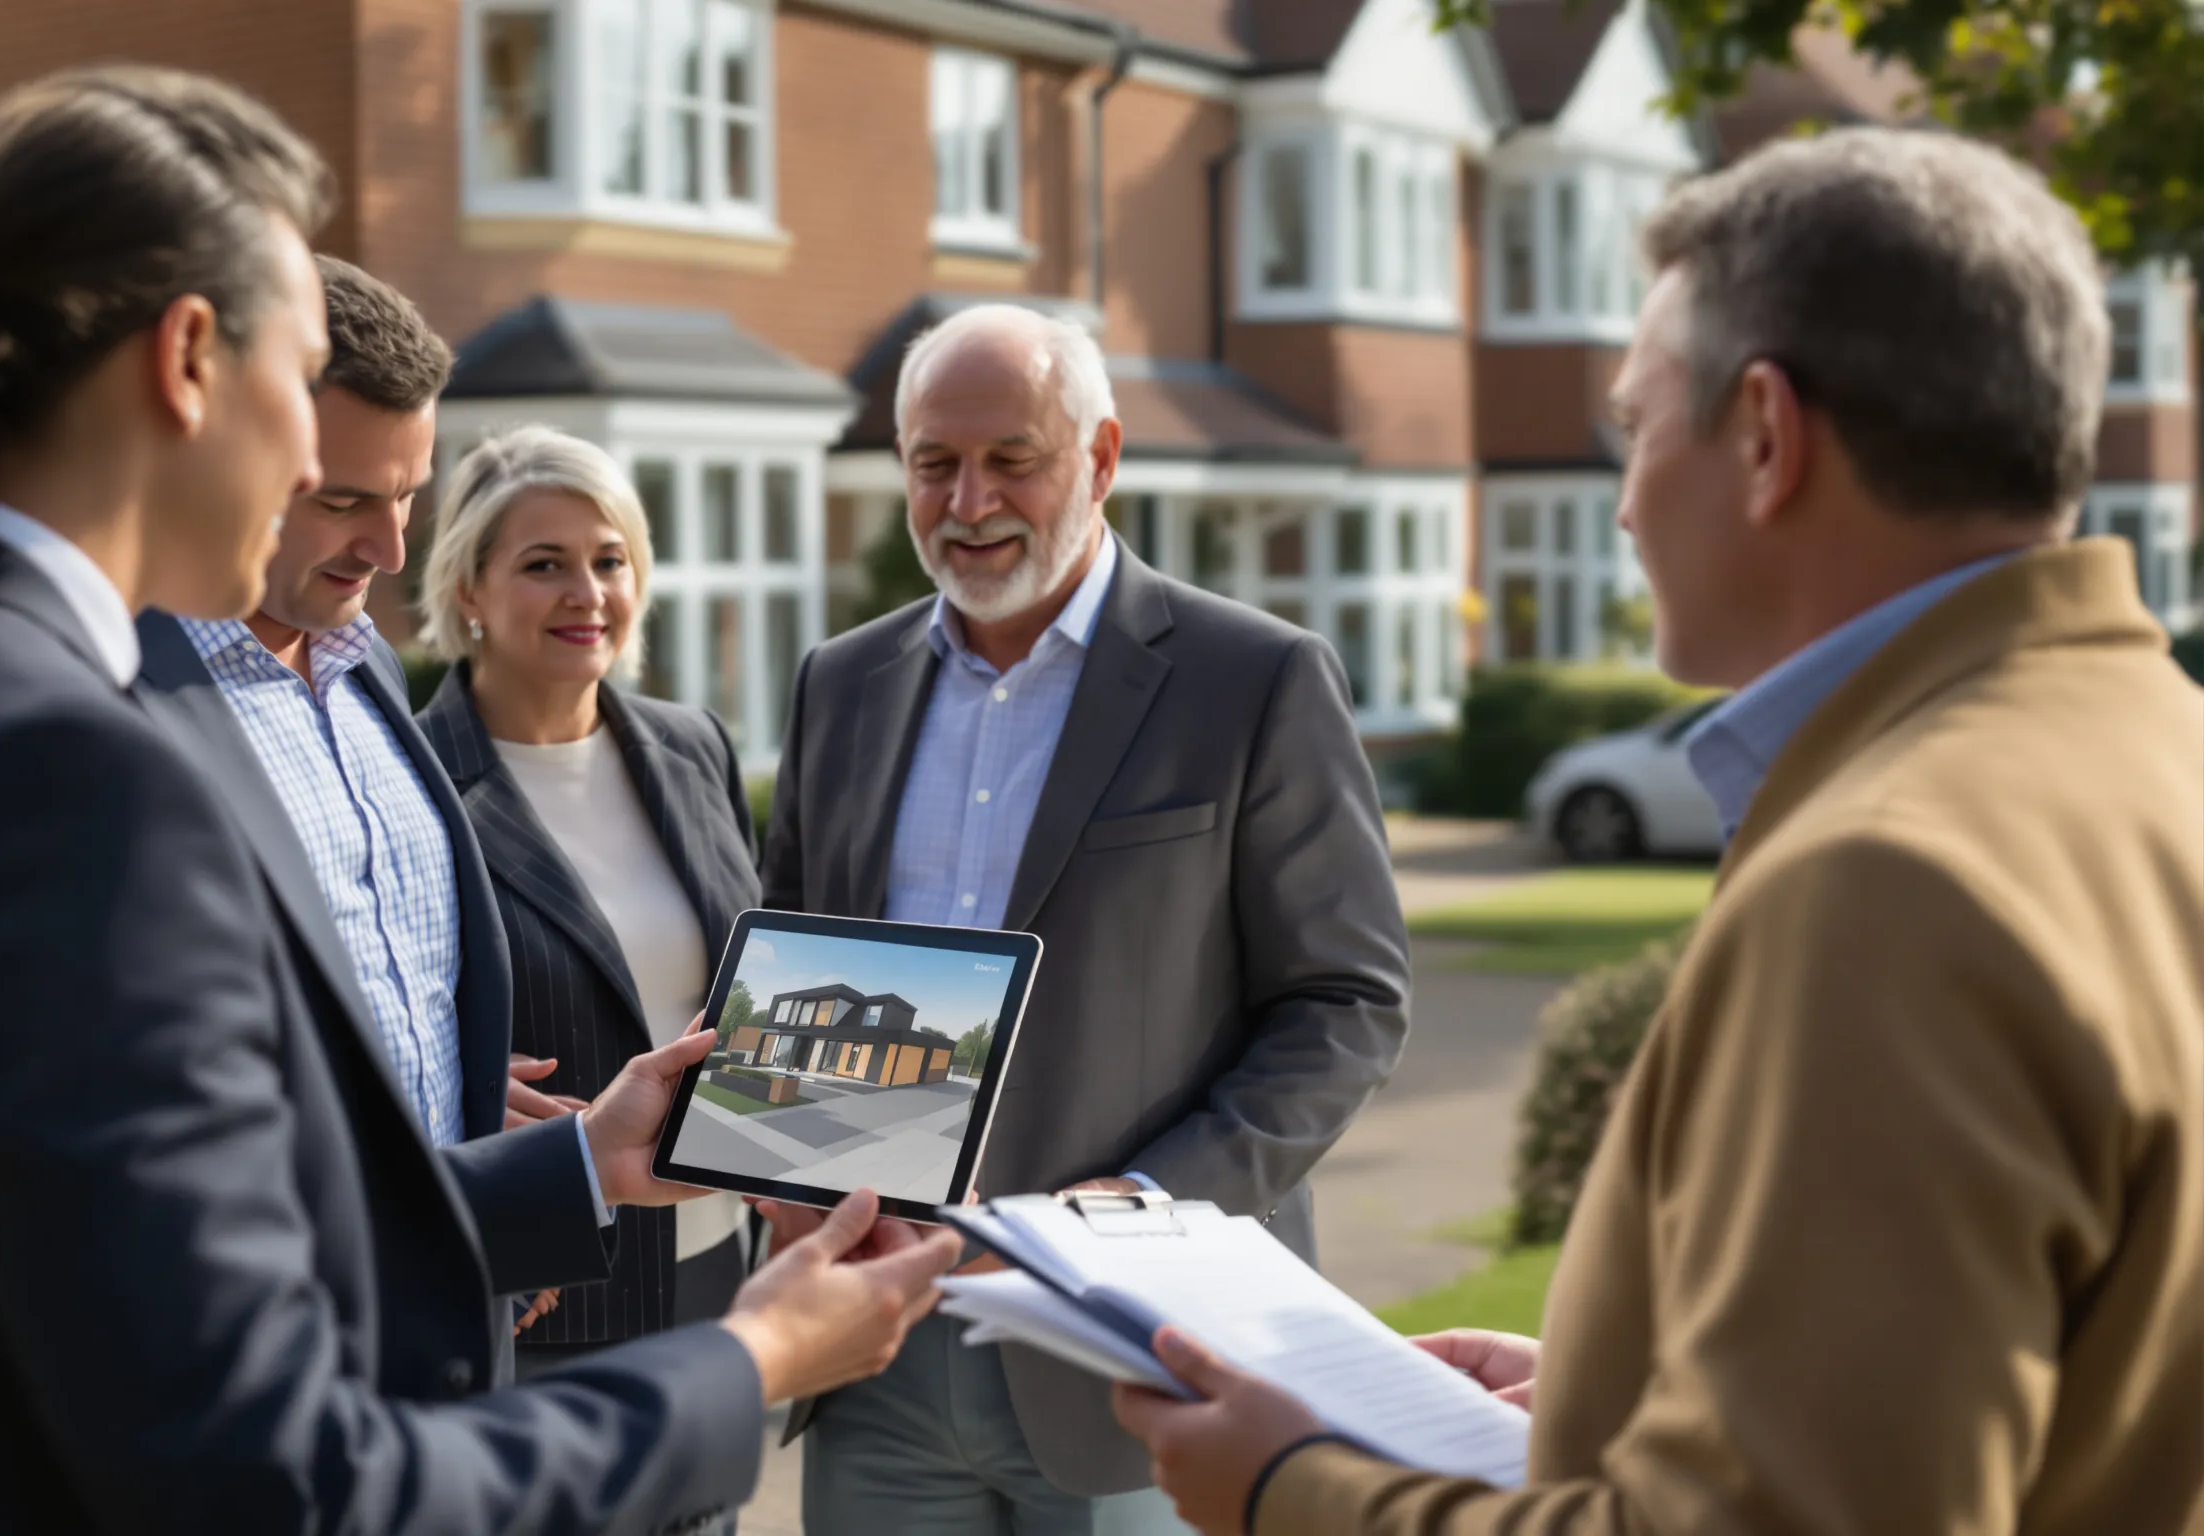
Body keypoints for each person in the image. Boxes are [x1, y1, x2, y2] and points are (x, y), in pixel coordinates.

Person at [0, 65, 959, 1535]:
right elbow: (277, 1482)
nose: (316, 477)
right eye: (299, 393)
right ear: (188, 359)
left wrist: (578, 1169)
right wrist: (751, 1361)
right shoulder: (67, 776)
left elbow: (95, 1296)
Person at [1113, 128, 2204, 1536]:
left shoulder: (1892, 882)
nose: (1623, 505)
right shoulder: (2160, 748)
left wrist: (1294, 1488)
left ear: (1764, 435)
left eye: (1635, 428)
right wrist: (1621, 1403)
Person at [760, 302, 1413, 1534]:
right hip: (875, 1349)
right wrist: (770, 1147)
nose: (968, 501)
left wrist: (1137, 1213)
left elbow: (1346, 1004)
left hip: (1139, 1350)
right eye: (933, 464)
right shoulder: (838, 684)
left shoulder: (1252, 678)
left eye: (1013, 458)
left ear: (1101, 458)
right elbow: (796, 968)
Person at [126, 257, 580, 1342]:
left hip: (441, 1331)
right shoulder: (109, 712)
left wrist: (499, 1181)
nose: (389, 550)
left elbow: (403, 1005)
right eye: (341, 502)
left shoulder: (365, 662)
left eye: (409, 494)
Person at [414, 426, 764, 1388]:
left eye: (609, 560)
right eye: (543, 564)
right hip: (545, 1288)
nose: (587, 593)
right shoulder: (409, 782)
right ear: (468, 589)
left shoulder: (695, 748)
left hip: (716, 1267)